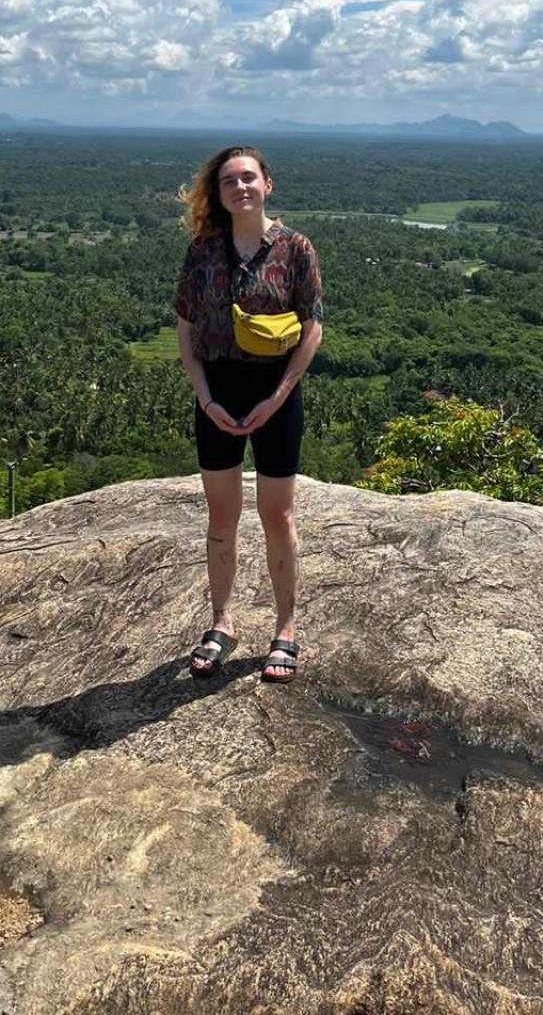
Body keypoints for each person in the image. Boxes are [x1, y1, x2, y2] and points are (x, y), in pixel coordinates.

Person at [175, 145, 323, 683]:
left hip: (274, 393)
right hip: (217, 390)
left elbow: (312, 328)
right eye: (229, 182)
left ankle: (285, 628)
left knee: (277, 516)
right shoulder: (203, 252)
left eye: (249, 178)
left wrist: (278, 396)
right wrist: (207, 398)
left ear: (268, 184)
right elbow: (187, 330)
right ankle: (222, 622)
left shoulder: (294, 249)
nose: (240, 188)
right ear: (218, 195)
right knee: (221, 518)